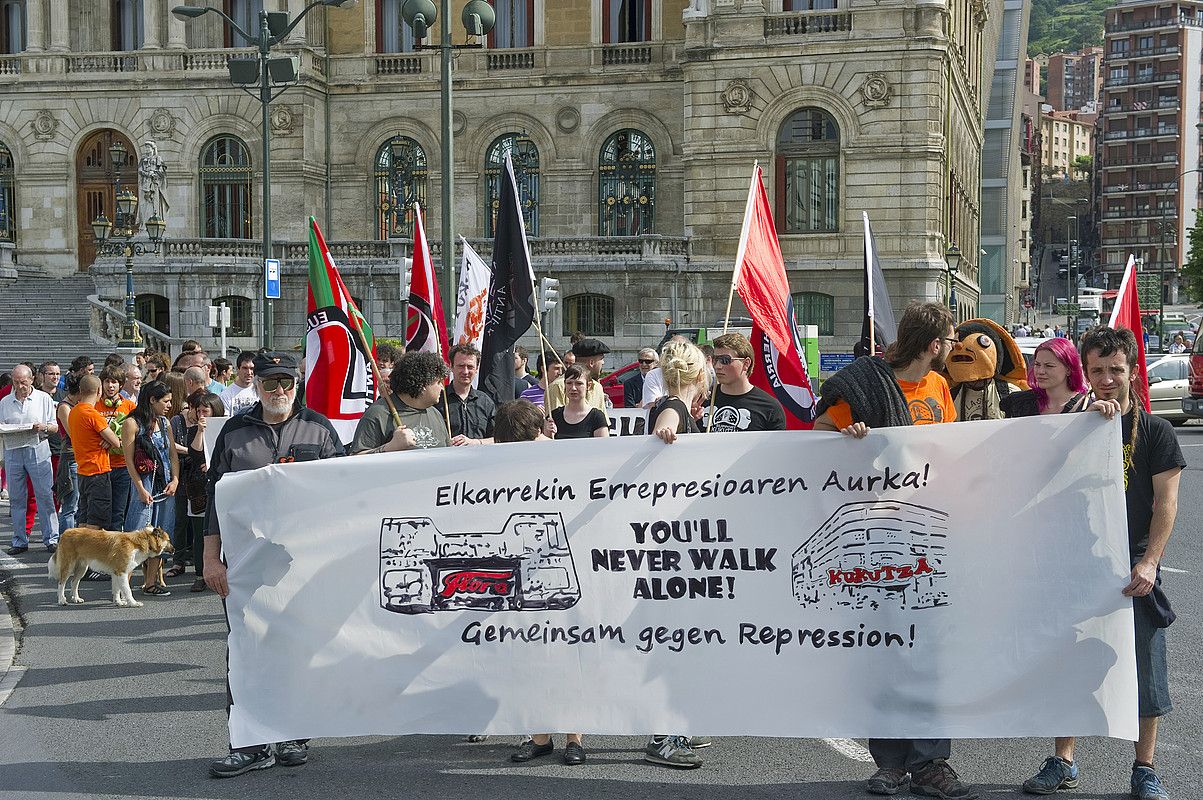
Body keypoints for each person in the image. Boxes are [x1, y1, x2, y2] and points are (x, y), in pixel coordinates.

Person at [814, 302, 973, 800]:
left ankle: (930, 763)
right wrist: (850, 438)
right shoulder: (864, 384)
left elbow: (947, 449)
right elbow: (816, 439)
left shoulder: (940, 388)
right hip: (876, 537)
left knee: (930, 656)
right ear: (934, 345)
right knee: (885, 654)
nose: (953, 349)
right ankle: (888, 763)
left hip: (930, 532)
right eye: (950, 341)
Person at [1020, 326, 1184, 800]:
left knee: (1146, 673)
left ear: (1133, 371)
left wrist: (1151, 562)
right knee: (1069, 663)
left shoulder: (1157, 432)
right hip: (1079, 561)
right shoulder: (1076, 424)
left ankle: (1144, 769)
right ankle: (1063, 760)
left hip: (1133, 566)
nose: (1107, 379)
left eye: (1116, 370)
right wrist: (1083, 427)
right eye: (1098, 371)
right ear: (1085, 373)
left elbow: (1166, 502)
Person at [204, 352, 345, 778]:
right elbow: (214, 500)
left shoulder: (319, 429)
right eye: (270, 383)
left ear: (296, 384)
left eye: (286, 382)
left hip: (303, 565)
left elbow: (344, 495)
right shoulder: (233, 432)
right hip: (246, 566)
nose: (278, 391)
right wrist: (211, 559)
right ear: (257, 386)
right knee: (245, 652)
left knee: (296, 647)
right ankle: (248, 743)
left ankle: (292, 733)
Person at [492, 399, 585, 765]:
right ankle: (540, 735)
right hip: (521, 565)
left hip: (561, 565)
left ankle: (575, 736)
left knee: (568, 650)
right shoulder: (508, 458)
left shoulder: (566, 457)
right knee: (529, 653)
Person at [641, 338, 710, 769]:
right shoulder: (673, 409)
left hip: (678, 538)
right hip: (672, 541)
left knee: (680, 637)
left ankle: (675, 727)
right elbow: (665, 423)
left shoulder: (684, 409)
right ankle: (663, 735)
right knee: (672, 638)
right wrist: (667, 427)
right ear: (699, 376)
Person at [121, 380, 179, 596]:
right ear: (152, 400)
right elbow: (128, 461)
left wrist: (175, 480)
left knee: (162, 534)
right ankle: (123, 586)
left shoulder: (165, 423)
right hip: (143, 484)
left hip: (165, 485)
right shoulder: (132, 423)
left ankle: (150, 582)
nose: (169, 405)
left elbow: (172, 454)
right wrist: (140, 488)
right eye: (165, 401)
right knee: (134, 537)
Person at [0, 364, 60, 554]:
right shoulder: (5, 402)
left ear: (32, 380)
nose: (20, 387)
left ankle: (51, 538)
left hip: (37, 448)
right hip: (13, 450)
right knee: (17, 498)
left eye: (23, 382)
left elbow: (54, 427)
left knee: (44, 495)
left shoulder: (43, 399)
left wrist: (42, 426)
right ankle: (19, 540)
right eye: (16, 383)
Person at [351, 352, 449, 454]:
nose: (442, 388)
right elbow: (356, 458)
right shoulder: (379, 414)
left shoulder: (435, 414)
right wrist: (389, 447)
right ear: (423, 384)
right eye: (438, 382)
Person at [177, 391, 223, 592]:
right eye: (199, 410)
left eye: (206, 410)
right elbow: (194, 453)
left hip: (220, 483)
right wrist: (201, 432)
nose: (202, 414)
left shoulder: (226, 428)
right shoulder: (193, 430)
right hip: (198, 488)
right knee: (199, 533)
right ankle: (199, 574)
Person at [66, 375, 124, 531]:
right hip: (98, 471)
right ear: (99, 391)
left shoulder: (74, 411)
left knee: (84, 515)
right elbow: (117, 442)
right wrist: (111, 439)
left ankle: (82, 553)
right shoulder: (93, 415)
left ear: (80, 390)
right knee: (97, 518)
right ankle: (90, 553)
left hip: (83, 471)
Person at [703, 332, 786, 432]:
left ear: (746, 363)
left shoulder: (769, 408)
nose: (717, 366)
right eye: (715, 360)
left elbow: (776, 445)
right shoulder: (703, 400)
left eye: (725, 360)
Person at [999, 338, 1088, 418]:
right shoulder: (1019, 403)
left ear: (1068, 369)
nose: (1040, 371)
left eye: (1049, 366)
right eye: (1037, 364)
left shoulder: (1085, 405)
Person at [98, 366, 138, 531]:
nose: (110, 386)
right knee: (102, 513)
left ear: (121, 385)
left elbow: (136, 433)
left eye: (114, 382)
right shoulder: (95, 406)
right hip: (101, 466)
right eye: (107, 381)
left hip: (122, 467)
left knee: (119, 513)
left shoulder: (129, 406)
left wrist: (115, 440)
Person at [443, 344, 496, 446]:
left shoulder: (485, 402)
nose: (465, 371)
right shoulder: (439, 400)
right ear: (451, 367)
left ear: (476, 369)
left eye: (470, 367)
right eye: (461, 366)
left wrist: (476, 442)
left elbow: (498, 438)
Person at [546, 339, 609, 413]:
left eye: (579, 384)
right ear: (591, 362)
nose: (603, 363)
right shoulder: (558, 386)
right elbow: (555, 420)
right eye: (601, 359)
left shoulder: (597, 388)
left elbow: (603, 422)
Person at [551, 366, 609, 439]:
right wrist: (547, 433)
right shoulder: (554, 416)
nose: (573, 388)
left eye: (579, 383)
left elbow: (604, 447)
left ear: (588, 385)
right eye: (569, 383)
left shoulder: (597, 417)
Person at [219, 352, 258, 417]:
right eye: (245, 368)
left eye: (252, 368)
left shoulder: (261, 392)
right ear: (237, 369)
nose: (249, 372)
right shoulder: (225, 395)